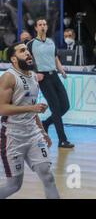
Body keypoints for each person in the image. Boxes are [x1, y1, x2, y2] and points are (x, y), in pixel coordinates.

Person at [0, 42, 60, 199]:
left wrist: (42, 131)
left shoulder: (33, 76)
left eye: (27, 50)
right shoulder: (8, 77)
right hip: (12, 135)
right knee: (14, 186)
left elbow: (33, 109)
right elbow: (2, 109)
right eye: (22, 51)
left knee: (48, 176)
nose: (28, 53)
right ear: (14, 59)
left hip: (33, 134)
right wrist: (32, 109)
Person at [27, 18, 73, 148]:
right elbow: (26, 62)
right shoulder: (30, 44)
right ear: (36, 28)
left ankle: (46, 123)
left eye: (44, 24)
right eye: (40, 24)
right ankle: (62, 140)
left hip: (54, 76)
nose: (43, 26)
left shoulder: (51, 42)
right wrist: (34, 74)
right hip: (44, 78)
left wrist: (62, 70)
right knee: (56, 108)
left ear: (47, 27)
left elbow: (55, 58)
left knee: (65, 106)